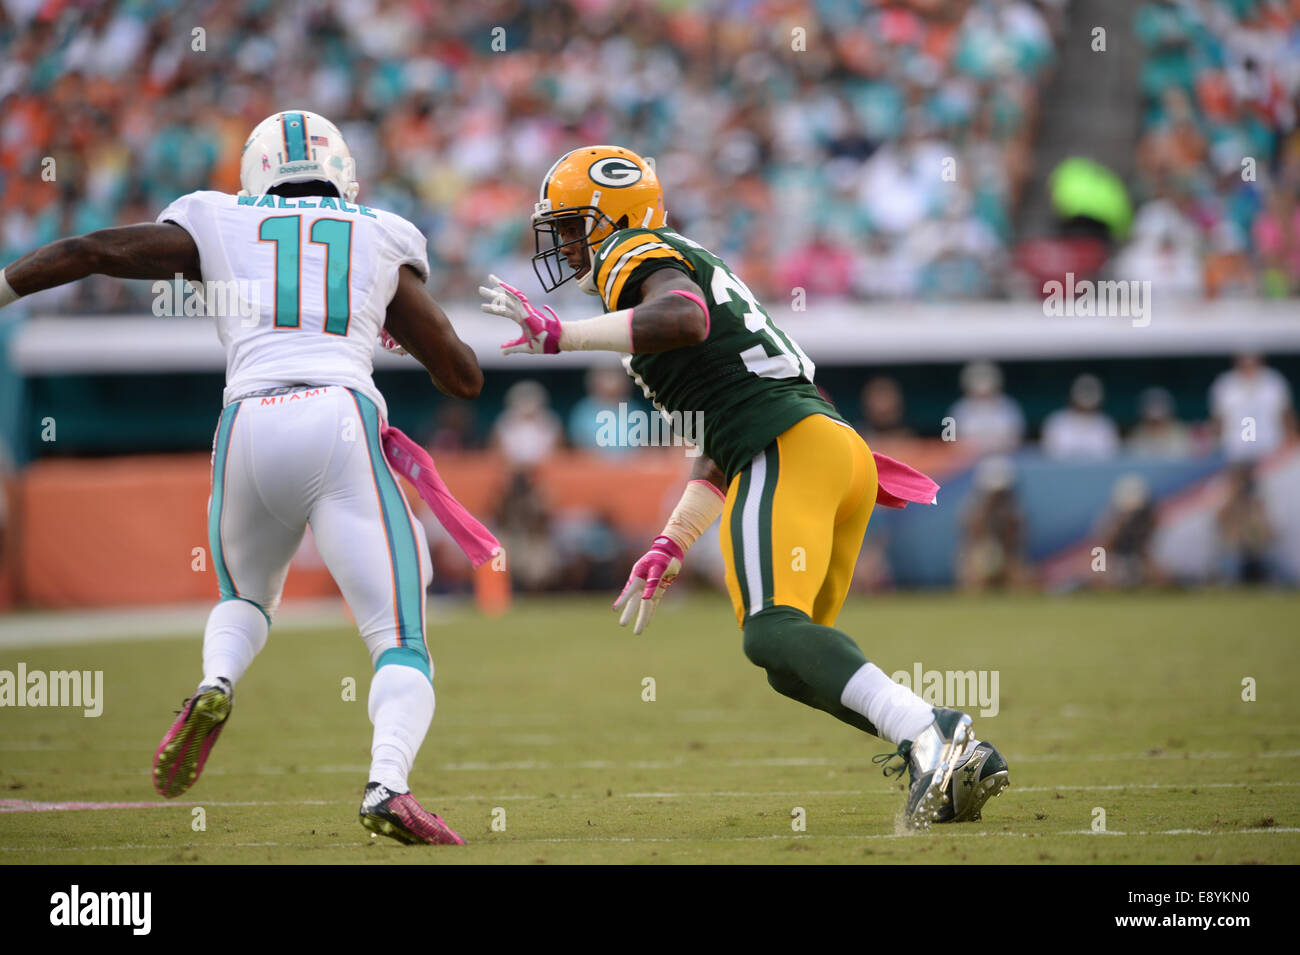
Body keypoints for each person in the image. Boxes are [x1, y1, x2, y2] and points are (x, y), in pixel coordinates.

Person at [480, 145, 1008, 828]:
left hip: (786, 446)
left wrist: (564, 336)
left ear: (613, 218)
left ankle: (932, 730)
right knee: (794, 658)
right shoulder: (680, 260)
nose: (569, 247)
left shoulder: (635, 254)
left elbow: (686, 318)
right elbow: (716, 442)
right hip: (827, 452)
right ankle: (949, 750)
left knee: (770, 633)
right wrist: (672, 542)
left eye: (576, 227)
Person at [0, 110, 485, 847]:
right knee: (399, 636)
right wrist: (383, 319)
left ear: (257, 170)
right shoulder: (377, 230)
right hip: (336, 417)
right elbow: (461, 374)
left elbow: (91, 248)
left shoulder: (216, 217)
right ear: (341, 171)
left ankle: (216, 682)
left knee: (247, 596)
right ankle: (388, 782)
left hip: (245, 424)